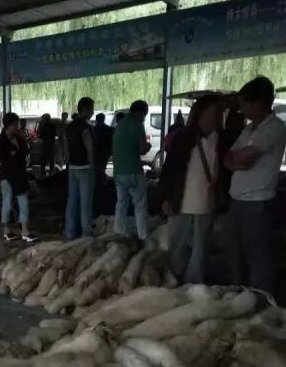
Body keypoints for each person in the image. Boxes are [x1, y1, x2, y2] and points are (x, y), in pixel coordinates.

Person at [224, 76, 286, 294]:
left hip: (257, 202)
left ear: (259, 103)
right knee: (233, 249)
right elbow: (229, 157)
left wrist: (238, 160)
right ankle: (236, 293)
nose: (241, 110)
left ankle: (261, 297)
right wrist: (237, 161)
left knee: (257, 253)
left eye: (245, 105)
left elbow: (243, 158)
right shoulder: (249, 129)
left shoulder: (274, 128)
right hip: (236, 199)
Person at [160, 95, 221, 284]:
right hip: (182, 201)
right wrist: (166, 197)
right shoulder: (183, 137)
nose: (217, 116)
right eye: (214, 112)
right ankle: (173, 281)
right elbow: (169, 169)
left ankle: (194, 285)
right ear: (201, 114)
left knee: (200, 249)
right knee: (177, 246)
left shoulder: (220, 138)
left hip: (206, 202)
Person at [112, 99, 151, 240]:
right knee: (140, 204)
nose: (144, 117)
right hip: (134, 171)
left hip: (119, 172)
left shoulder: (120, 124)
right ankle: (143, 236)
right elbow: (142, 149)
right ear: (140, 112)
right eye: (145, 114)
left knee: (121, 204)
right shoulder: (137, 125)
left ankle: (118, 233)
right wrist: (148, 146)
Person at [0, 112, 36, 243]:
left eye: (17, 124)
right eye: (14, 124)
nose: (17, 127)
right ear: (7, 125)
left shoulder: (19, 138)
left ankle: (25, 230)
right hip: (7, 175)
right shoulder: (1, 140)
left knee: (23, 201)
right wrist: (14, 153)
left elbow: (26, 151)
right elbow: (1, 157)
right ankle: (6, 230)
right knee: (7, 203)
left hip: (20, 174)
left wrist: (16, 151)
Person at [65, 97, 95, 239]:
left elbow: (66, 148)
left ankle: (70, 231)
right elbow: (90, 149)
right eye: (91, 109)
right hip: (85, 167)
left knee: (72, 201)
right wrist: (92, 167)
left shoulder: (69, 127)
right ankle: (86, 232)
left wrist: (69, 162)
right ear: (85, 109)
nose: (92, 112)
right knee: (85, 202)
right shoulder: (86, 128)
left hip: (72, 167)